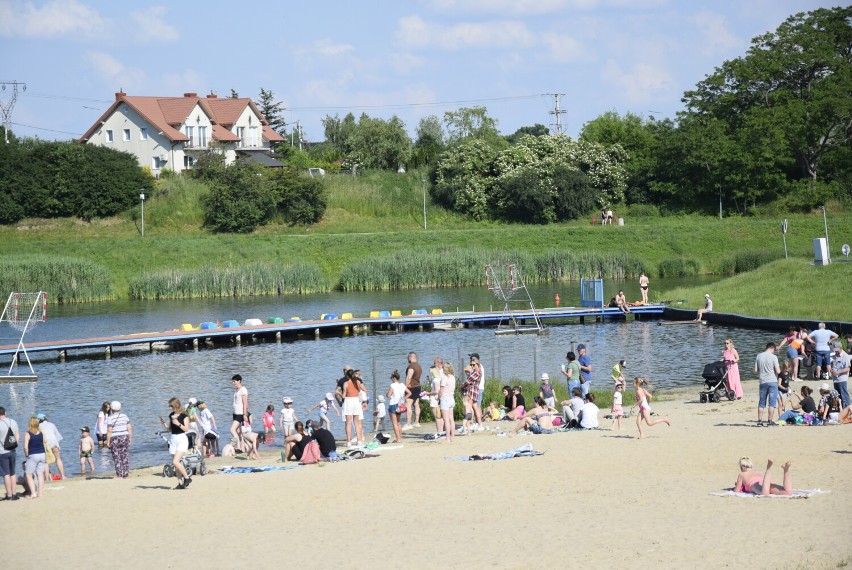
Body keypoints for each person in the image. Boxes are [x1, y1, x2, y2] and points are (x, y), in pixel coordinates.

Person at [160, 398, 192, 489]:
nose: (170, 407)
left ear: (176, 405)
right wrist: (164, 424)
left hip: (181, 438)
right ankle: (180, 483)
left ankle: (187, 477)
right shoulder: (171, 415)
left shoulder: (184, 415)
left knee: (175, 461)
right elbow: (170, 429)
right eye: (169, 405)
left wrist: (178, 423)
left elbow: (186, 429)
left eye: (171, 405)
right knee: (175, 464)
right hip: (173, 438)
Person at [754, 342, 781, 426]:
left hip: (762, 381)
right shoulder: (774, 357)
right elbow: (778, 371)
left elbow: (755, 370)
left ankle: (759, 421)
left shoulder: (759, 356)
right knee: (772, 403)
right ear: (772, 348)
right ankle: (769, 421)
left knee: (761, 402)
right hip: (772, 381)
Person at [105, 401, 131, 478]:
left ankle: (119, 474)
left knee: (116, 457)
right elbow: (129, 428)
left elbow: (109, 430)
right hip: (125, 436)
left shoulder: (110, 418)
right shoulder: (125, 416)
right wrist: (130, 438)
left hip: (115, 438)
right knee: (124, 455)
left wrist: (108, 440)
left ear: (112, 409)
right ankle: (126, 474)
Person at [341, 368, 367, 446]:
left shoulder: (346, 383)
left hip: (348, 401)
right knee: (357, 422)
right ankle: (359, 440)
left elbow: (344, 396)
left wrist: (339, 394)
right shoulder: (358, 381)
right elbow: (365, 390)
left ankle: (349, 441)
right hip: (356, 401)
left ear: (347, 376)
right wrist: (363, 399)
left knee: (348, 422)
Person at [37, 413, 65, 480]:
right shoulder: (52, 424)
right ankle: (63, 476)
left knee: (45, 462)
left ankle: (47, 478)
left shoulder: (38, 426)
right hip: (54, 442)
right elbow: (57, 436)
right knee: (58, 459)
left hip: (46, 444)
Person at [23, 417, 46, 499]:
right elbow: (44, 444)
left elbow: (25, 447)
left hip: (33, 455)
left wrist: (26, 455)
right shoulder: (41, 433)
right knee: (40, 474)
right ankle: (40, 493)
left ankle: (33, 493)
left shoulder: (28, 433)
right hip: (42, 454)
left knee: (28, 474)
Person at [0, 407, 20, 501]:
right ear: (5, 413)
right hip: (12, 450)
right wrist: (15, 445)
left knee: (6, 474)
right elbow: (17, 435)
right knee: (13, 472)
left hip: (2, 452)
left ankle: (8, 495)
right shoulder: (13, 421)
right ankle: (14, 494)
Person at [387, 369, 409, 443]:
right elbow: (409, 393)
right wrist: (403, 399)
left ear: (394, 378)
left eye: (391, 378)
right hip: (400, 404)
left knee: (394, 423)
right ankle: (400, 437)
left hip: (393, 404)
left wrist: (387, 394)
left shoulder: (392, 385)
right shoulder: (402, 385)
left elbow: (388, 395)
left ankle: (398, 438)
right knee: (398, 422)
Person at [403, 352, 422, 430]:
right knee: (416, 404)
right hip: (418, 386)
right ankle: (417, 422)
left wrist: (405, 387)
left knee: (408, 404)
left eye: (408, 357)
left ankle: (408, 424)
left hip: (411, 387)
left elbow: (409, 377)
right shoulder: (419, 366)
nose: (407, 359)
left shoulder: (411, 366)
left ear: (411, 357)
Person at [829, 341, 851, 409]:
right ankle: (841, 410)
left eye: (837, 350)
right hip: (835, 379)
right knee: (838, 397)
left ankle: (848, 411)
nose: (836, 351)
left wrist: (838, 372)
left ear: (840, 348)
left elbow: (848, 368)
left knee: (844, 396)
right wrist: (832, 370)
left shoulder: (845, 356)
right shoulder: (835, 356)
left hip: (842, 379)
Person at [439, 362, 457, 442]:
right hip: (451, 398)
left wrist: (438, 398)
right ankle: (452, 436)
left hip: (445, 399)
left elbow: (441, 390)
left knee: (446, 420)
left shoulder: (444, 377)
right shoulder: (453, 377)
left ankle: (448, 437)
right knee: (451, 419)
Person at [229, 374, 249, 445]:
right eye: (233, 381)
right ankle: (243, 447)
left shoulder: (243, 390)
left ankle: (238, 446)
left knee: (232, 430)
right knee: (238, 432)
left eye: (234, 381)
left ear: (239, 381)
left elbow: (245, 402)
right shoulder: (237, 390)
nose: (233, 383)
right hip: (235, 412)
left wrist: (244, 414)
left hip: (240, 413)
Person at [427, 357, 445, 435]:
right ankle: (442, 431)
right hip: (441, 396)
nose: (434, 365)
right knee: (440, 415)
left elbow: (436, 390)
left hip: (435, 397)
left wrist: (427, 393)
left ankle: (439, 432)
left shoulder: (437, 377)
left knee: (437, 416)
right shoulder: (441, 374)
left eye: (435, 363)